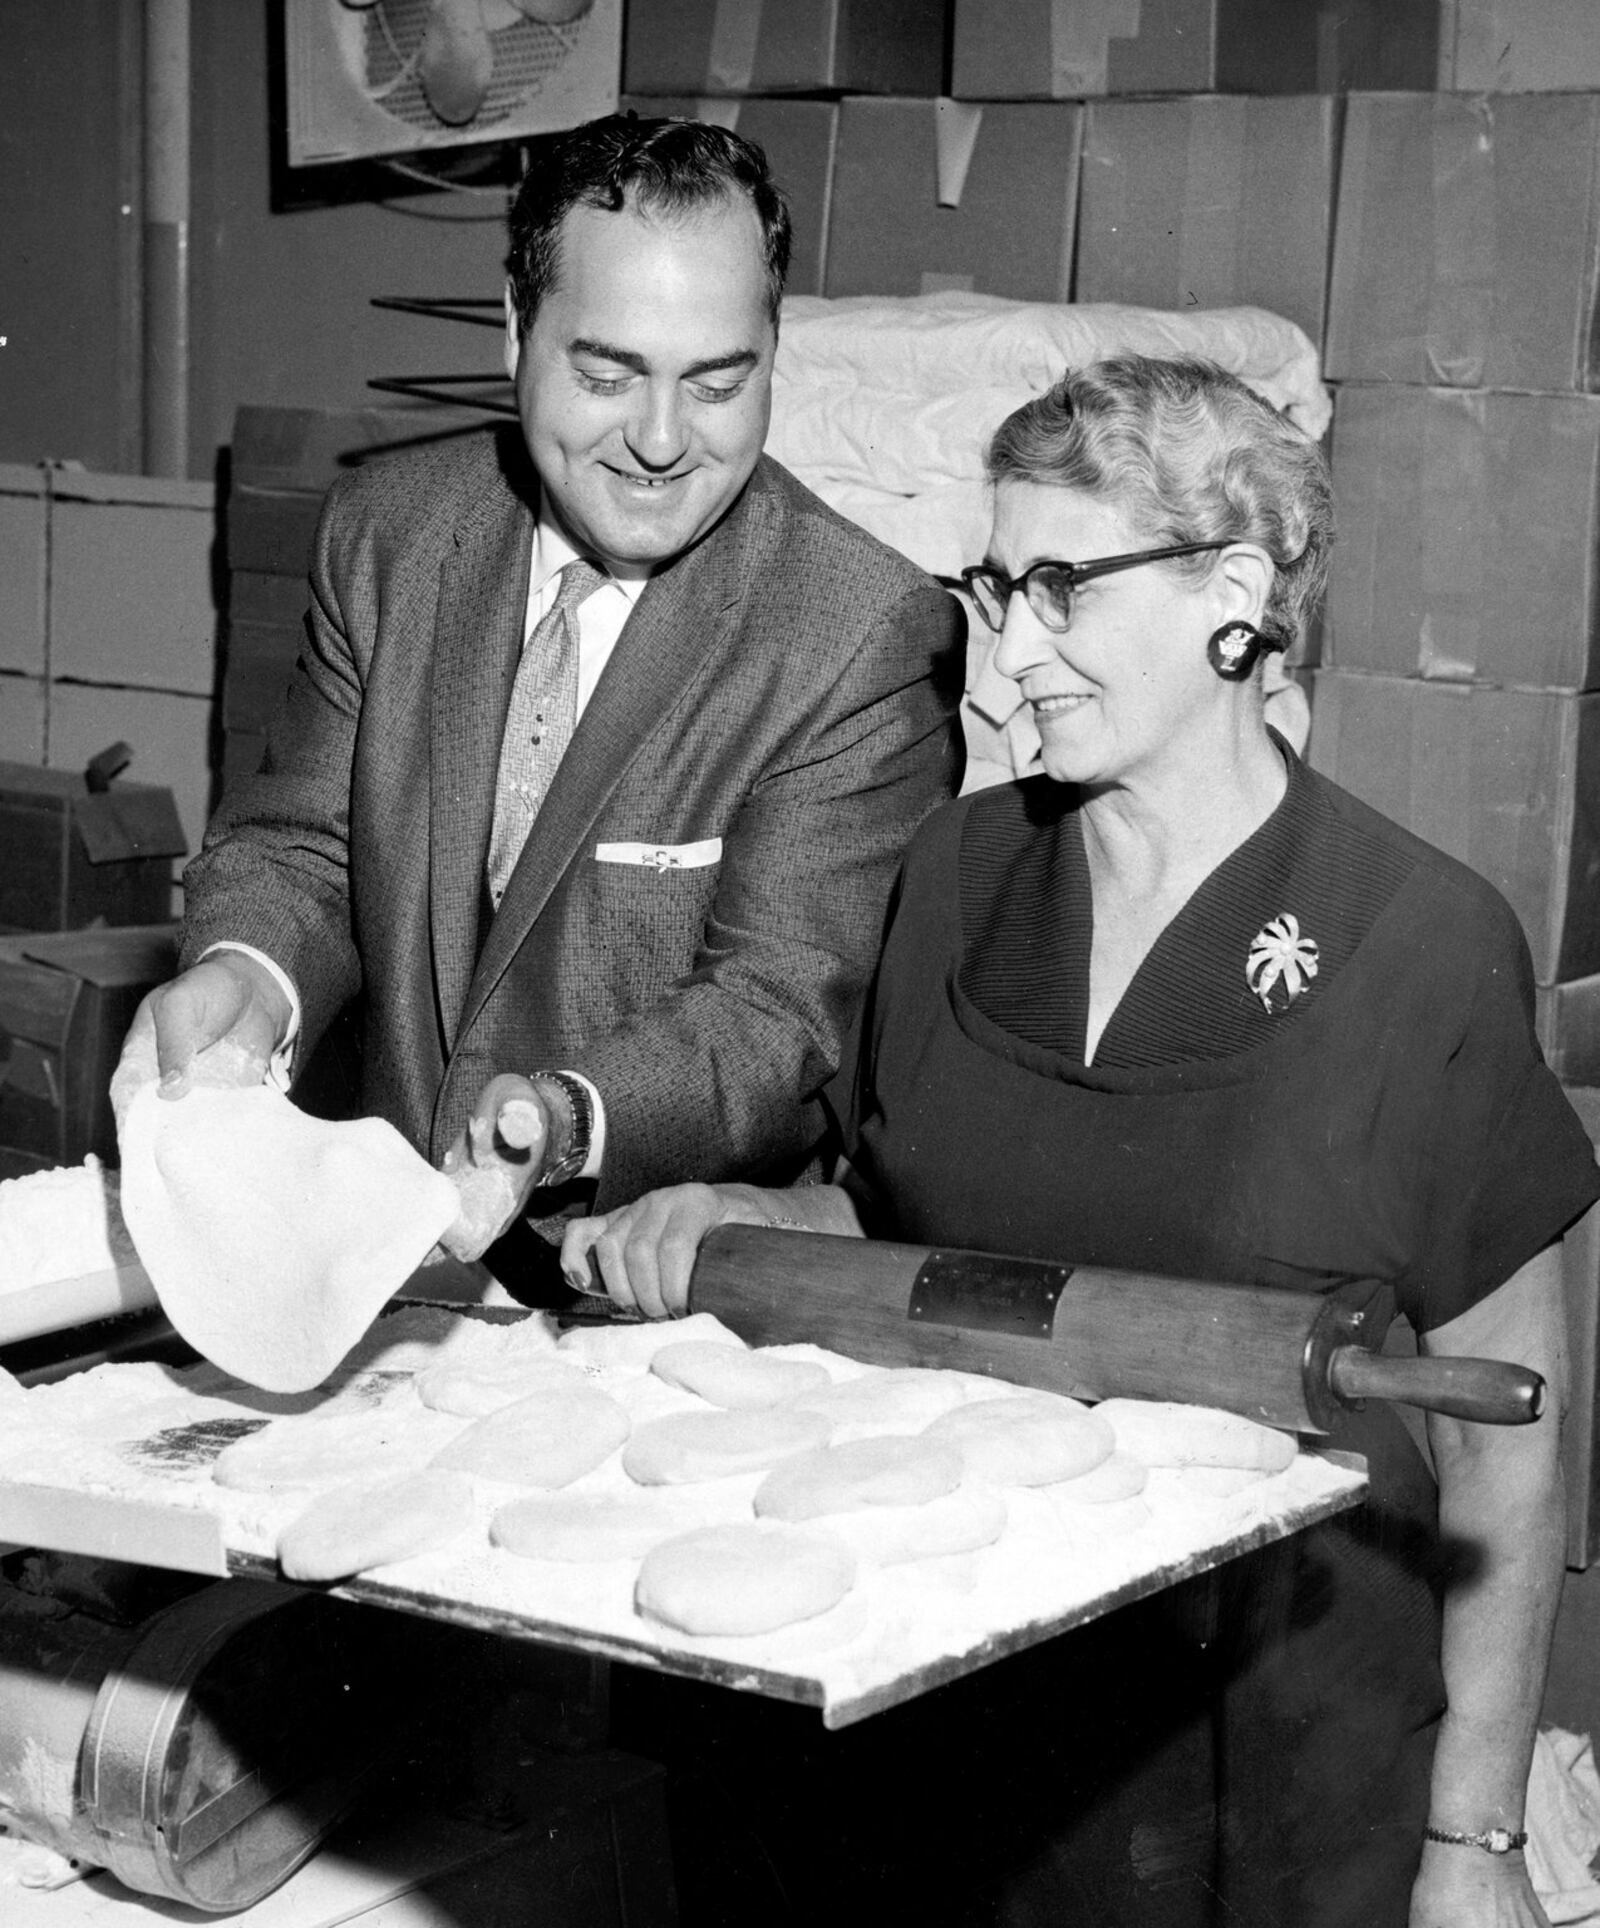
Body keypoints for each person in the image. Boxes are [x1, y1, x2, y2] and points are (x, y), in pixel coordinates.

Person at [561, 356, 1600, 1927]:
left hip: (1283, 1764)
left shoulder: (1421, 946)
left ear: (1233, 597)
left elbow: (1504, 1440)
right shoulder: (962, 876)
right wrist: (732, 1211)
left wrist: (1476, 1843)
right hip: (968, 1734)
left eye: (1058, 589)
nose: (1004, 661)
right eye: (994, 590)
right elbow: (899, 1227)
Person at [115, 116, 962, 1288]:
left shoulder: (856, 633)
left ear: (774, 350)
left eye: (718, 382)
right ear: (517, 331)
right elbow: (304, 845)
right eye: (606, 374)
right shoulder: (390, 535)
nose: (662, 441)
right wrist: (250, 977)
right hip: (379, 1277)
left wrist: (567, 1118)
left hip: (652, 1304)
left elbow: (776, 1011)